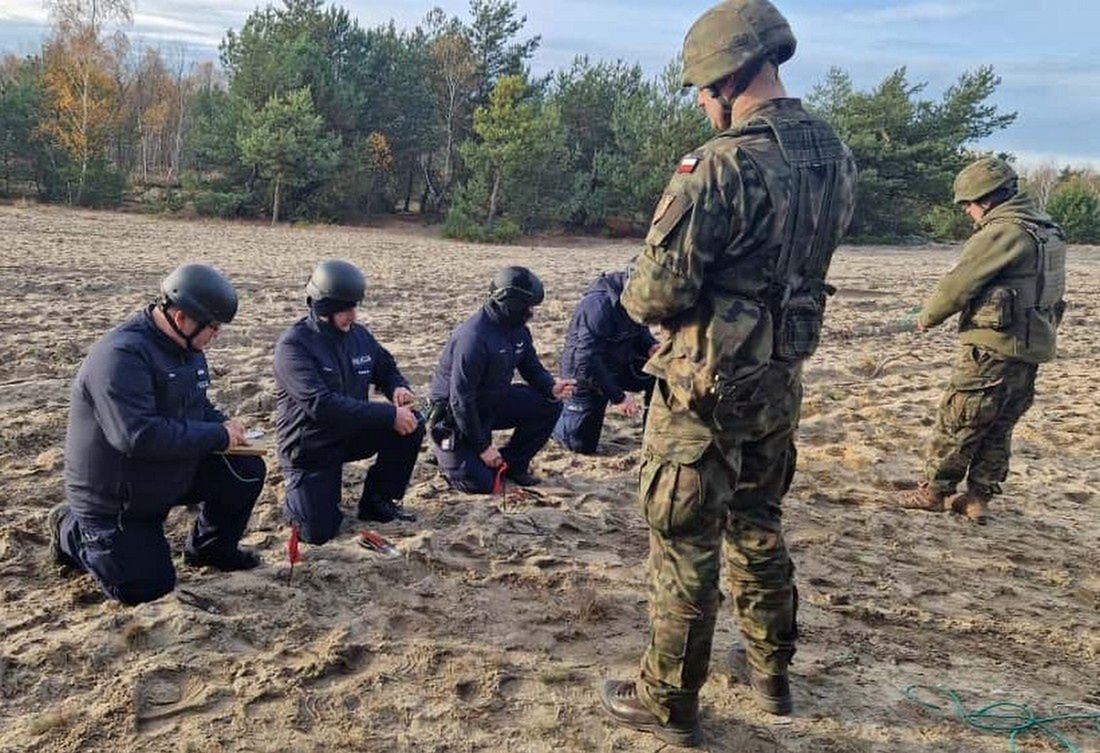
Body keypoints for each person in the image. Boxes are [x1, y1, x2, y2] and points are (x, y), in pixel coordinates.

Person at [597, 0, 857, 746]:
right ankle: (773, 673)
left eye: (703, 90)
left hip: (704, 381)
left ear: (725, 76)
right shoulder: (834, 153)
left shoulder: (719, 164)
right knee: (759, 520)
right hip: (780, 375)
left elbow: (655, 292)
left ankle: (669, 700)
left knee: (683, 536)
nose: (705, 105)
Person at [46, 264, 265, 606]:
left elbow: (197, 405)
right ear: (181, 318)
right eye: (213, 327)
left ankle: (210, 551)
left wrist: (227, 426)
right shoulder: (122, 355)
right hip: (116, 497)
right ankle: (71, 530)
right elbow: (137, 436)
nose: (217, 335)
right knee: (148, 588)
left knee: (245, 470)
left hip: (163, 474)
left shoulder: (188, 351)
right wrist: (217, 436)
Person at [898, 157, 1066, 524]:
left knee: (961, 417)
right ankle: (977, 498)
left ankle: (934, 491)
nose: (968, 213)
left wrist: (926, 318)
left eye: (968, 205)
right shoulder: (1046, 229)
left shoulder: (1003, 232)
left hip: (994, 345)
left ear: (986, 200)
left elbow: (960, 283)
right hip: (1032, 345)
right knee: (999, 424)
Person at [273, 260, 423, 545]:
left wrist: (397, 388)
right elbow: (322, 405)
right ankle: (300, 498)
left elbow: (385, 366)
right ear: (322, 307)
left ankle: (378, 502)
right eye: (345, 309)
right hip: (310, 447)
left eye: (355, 306)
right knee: (317, 533)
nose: (353, 315)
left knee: (412, 423)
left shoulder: (359, 335)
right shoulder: (293, 347)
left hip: (351, 432)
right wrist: (388, 414)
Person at [427, 266, 574, 493]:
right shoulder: (473, 338)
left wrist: (551, 387)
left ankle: (514, 463)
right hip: (455, 416)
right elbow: (461, 400)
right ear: (511, 304)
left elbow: (531, 366)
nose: (531, 313)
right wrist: (483, 447)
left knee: (548, 404)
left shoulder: (518, 330)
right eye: (527, 307)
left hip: (492, 400)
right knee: (478, 484)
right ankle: (447, 456)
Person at [552, 270, 657, 454]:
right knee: (580, 446)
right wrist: (619, 397)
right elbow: (587, 359)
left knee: (661, 372)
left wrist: (650, 346)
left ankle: (654, 433)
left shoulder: (641, 299)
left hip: (621, 362)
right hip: (586, 374)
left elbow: (641, 331)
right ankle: (556, 418)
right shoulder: (598, 306)